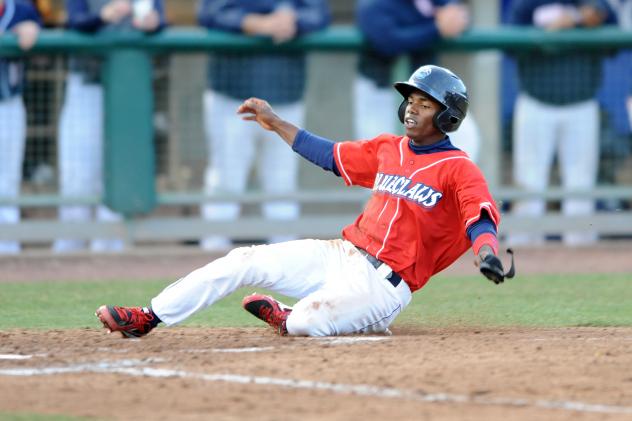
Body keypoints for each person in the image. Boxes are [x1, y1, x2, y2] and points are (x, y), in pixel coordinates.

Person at [96, 65, 514, 339]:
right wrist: (276, 122)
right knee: (245, 260)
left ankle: (295, 317)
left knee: (307, 321)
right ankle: (149, 316)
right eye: (411, 101)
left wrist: (488, 253)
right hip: (341, 254)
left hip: (384, 285)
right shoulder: (388, 147)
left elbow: (479, 217)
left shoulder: (459, 168)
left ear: (447, 118)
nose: (411, 110)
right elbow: (329, 154)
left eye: (425, 105)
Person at [197, 0, 330, 251]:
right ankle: (213, 257)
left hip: (286, 91)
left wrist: (291, 19)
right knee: (226, 180)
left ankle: (286, 260)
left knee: (282, 181)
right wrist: (257, 24)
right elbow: (209, 13)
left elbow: (319, 14)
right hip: (232, 91)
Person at [53, 0, 166, 253]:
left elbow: (160, 22)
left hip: (129, 84)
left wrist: (154, 24)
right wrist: (104, 15)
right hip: (87, 83)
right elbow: (75, 21)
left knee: (120, 170)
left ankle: (111, 251)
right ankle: (69, 249)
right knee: (79, 173)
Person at [508, 0, 616, 246]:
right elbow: (510, 44)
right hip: (536, 99)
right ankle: (523, 251)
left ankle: (581, 259)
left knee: (580, 184)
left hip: (581, 100)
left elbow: (612, 35)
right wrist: (545, 34)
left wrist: (583, 19)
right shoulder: (527, 4)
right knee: (529, 182)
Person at [355, 0, 481, 162]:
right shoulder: (374, 5)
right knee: (378, 161)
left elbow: (457, 16)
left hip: (430, 89)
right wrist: (435, 28)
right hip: (381, 89)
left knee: (463, 141)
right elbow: (387, 40)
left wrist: (453, 18)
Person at [0, 0, 41, 254]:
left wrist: (33, 28)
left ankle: (8, 246)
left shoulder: (21, 8)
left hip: (8, 103)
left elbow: (37, 27)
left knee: (7, 178)